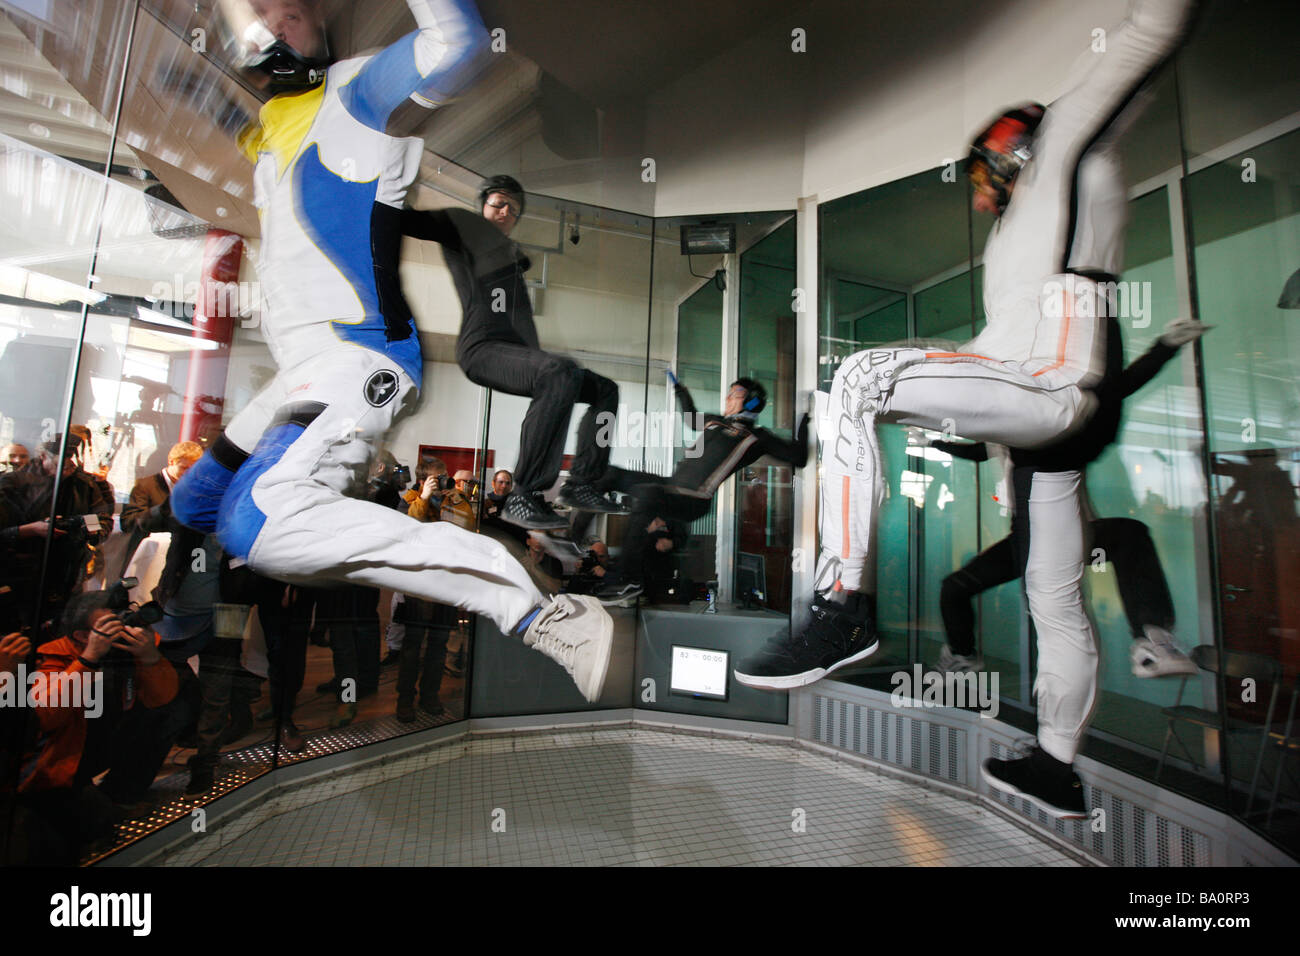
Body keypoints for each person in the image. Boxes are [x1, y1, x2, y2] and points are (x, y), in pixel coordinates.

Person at [739, 0, 1195, 819]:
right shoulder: (1036, 218)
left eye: (986, 174)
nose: (983, 193)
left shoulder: (1060, 145)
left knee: (859, 379)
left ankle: (846, 607)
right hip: (1043, 420)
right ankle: (1058, 766)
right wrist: (990, 446)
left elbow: (1149, 32)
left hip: (1051, 386)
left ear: (1009, 147)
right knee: (1052, 599)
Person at [169, 0, 614, 704]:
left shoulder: (354, 91)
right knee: (194, 498)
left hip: (356, 356)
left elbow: (456, 40)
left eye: (290, 12)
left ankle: (539, 610)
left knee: (254, 519)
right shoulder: (264, 134)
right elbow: (219, 113)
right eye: (258, 14)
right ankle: (181, 639)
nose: (274, 25)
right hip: (297, 369)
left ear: (320, 21)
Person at [933, 317, 1208, 680]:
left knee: (1129, 536)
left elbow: (1116, 388)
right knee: (954, 588)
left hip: (1072, 530)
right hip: (1033, 538)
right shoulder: (1005, 432)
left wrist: (1164, 347)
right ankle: (963, 655)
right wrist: (937, 441)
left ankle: (1153, 638)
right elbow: (976, 450)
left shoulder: (1057, 417)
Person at [401, 176, 627, 530]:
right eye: (498, 203)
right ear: (483, 206)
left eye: (513, 209)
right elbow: (408, 220)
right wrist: (395, 182)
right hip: (482, 350)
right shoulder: (464, 226)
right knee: (559, 370)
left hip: (518, 357)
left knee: (605, 388)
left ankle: (583, 483)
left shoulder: (508, 257)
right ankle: (525, 494)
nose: (506, 211)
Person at [595, 376, 809, 603]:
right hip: (671, 487)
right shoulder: (715, 421)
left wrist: (805, 420)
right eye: (729, 393)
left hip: (695, 499)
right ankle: (574, 523)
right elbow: (689, 417)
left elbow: (799, 457)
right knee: (610, 474)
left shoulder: (756, 437)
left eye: (735, 393)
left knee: (648, 495)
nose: (727, 398)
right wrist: (680, 389)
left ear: (752, 403)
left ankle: (628, 579)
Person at [118, 439, 203, 577]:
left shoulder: (194, 489)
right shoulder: (145, 486)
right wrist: (162, 511)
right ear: (171, 461)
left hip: (178, 561)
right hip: (146, 561)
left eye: (193, 470)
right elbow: (128, 522)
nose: (188, 474)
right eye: (184, 468)